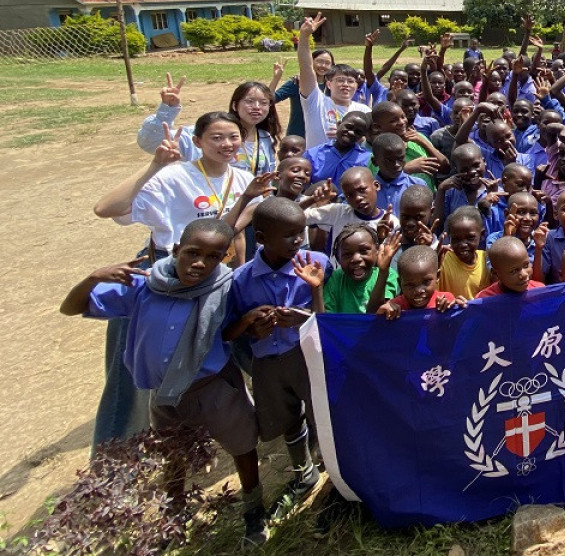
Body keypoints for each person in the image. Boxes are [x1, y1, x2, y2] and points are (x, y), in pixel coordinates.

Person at [60, 219, 268, 546]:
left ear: (224, 257)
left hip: (213, 387)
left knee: (242, 446)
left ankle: (254, 509)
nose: (201, 263)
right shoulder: (144, 286)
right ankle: (173, 513)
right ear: (175, 250)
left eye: (213, 256)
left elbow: (225, 334)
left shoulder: (225, 289)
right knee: (174, 454)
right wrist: (93, 278)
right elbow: (70, 308)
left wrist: (247, 324)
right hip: (165, 394)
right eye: (192, 253)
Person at [92, 112, 259, 449]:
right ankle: (115, 455)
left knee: (240, 342)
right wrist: (154, 165)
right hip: (166, 281)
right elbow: (106, 208)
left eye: (233, 137)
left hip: (215, 281)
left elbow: (237, 225)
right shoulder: (173, 177)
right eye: (216, 138)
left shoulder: (242, 179)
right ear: (197, 142)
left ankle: (275, 410)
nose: (227, 144)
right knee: (133, 366)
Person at [228, 198, 329, 516]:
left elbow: (329, 315)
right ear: (261, 238)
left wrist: (300, 318)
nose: (297, 241)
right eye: (288, 235)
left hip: (307, 357)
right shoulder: (241, 280)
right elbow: (231, 331)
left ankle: (334, 471)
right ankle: (303, 473)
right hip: (268, 363)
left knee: (321, 412)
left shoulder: (316, 263)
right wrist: (250, 325)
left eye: (301, 233)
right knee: (285, 418)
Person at [140, 76, 281, 175]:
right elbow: (150, 141)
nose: (257, 107)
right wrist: (167, 110)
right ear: (234, 105)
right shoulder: (208, 132)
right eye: (250, 101)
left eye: (263, 103)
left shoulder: (265, 137)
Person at [297, 14, 369, 148]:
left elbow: (371, 139)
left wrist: (354, 137)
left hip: (350, 167)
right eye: (340, 80)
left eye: (350, 81)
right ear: (329, 84)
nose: (346, 85)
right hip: (319, 166)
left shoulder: (363, 111)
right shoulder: (316, 102)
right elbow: (306, 67)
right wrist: (304, 36)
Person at [323, 224, 401, 315]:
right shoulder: (336, 278)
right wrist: (316, 288)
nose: (356, 259)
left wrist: (383, 273)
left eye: (364, 251)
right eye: (347, 254)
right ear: (338, 259)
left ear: (377, 251)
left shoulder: (389, 275)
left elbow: (376, 315)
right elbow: (325, 319)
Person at [377, 246, 465, 316]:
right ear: (400, 283)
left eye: (426, 282)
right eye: (410, 285)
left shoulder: (446, 301)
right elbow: (377, 333)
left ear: (437, 276)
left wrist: (457, 311)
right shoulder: (394, 306)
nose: (418, 291)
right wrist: (380, 316)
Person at [273, 48, 333, 139]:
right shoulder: (297, 83)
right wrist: (276, 78)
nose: (323, 66)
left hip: (322, 138)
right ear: (310, 62)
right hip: (298, 137)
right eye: (319, 61)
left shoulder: (332, 87)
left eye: (327, 63)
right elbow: (271, 99)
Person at [303, 112, 370, 186]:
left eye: (358, 132)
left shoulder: (367, 159)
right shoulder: (313, 154)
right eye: (349, 127)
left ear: (362, 136)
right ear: (338, 124)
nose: (351, 133)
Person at [439, 207, 490, 299]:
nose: (462, 244)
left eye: (470, 238)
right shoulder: (443, 261)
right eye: (456, 239)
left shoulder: (487, 260)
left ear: (481, 235)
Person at [476, 236, 546, 297]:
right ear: (496, 274)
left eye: (526, 266)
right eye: (514, 270)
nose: (524, 274)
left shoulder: (540, 291)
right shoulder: (485, 301)